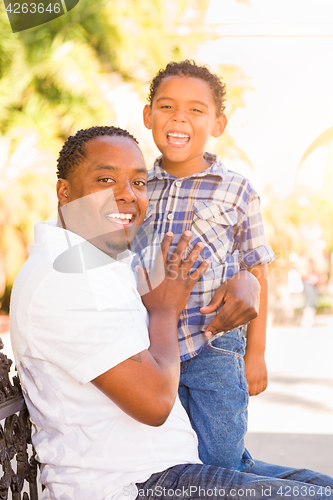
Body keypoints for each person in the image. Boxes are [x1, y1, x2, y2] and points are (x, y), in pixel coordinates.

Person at [9, 126, 333, 500]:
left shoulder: (97, 258)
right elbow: (155, 403)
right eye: (106, 179)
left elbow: (216, 263)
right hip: (131, 486)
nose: (127, 195)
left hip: (173, 469)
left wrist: (247, 279)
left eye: (139, 182)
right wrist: (165, 311)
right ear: (64, 192)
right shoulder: (62, 278)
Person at [140, 59, 273, 471]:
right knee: (172, 458)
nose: (180, 117)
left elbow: (258, 269)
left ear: (218, 123)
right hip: (152, 349)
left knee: (221, 459)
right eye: (167, 106)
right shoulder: (138, 187)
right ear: (148, 116)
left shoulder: (236, 190)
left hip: (215, 347)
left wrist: (257, 354)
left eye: (196, 109)